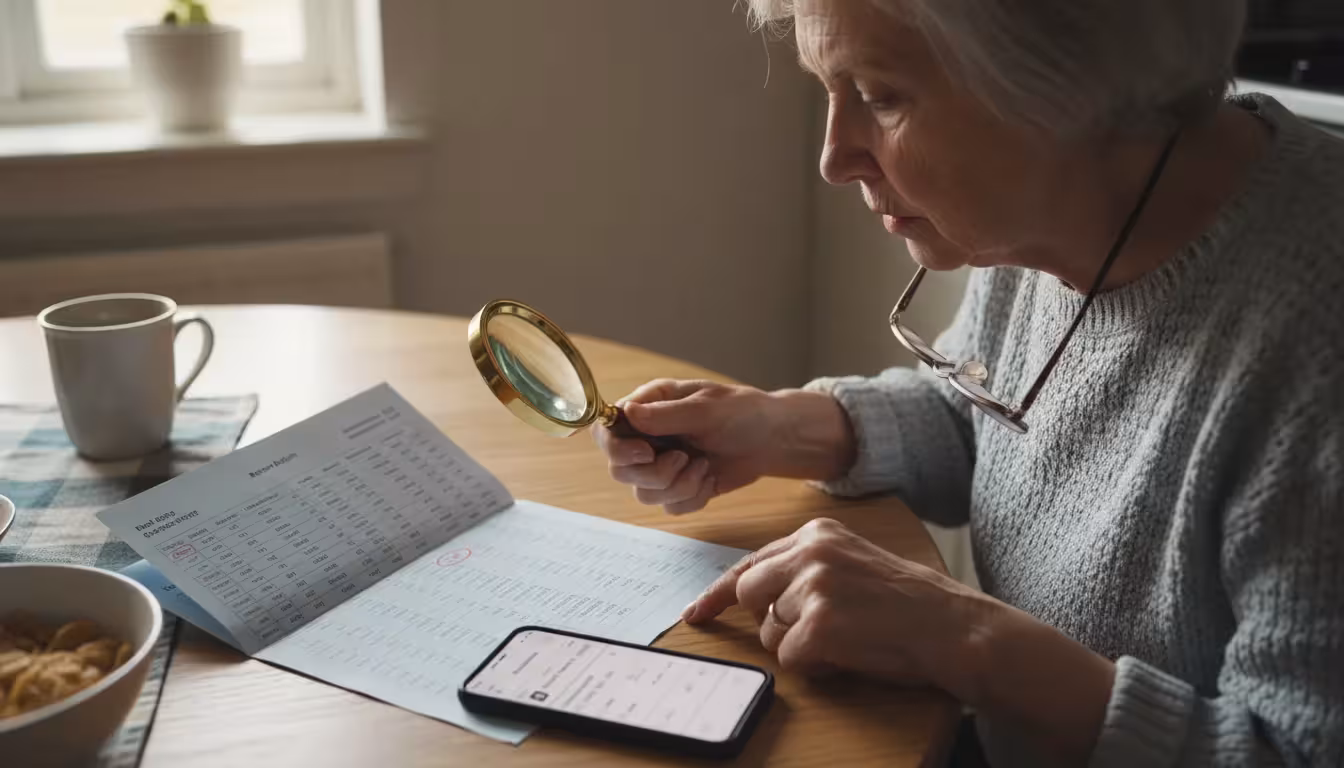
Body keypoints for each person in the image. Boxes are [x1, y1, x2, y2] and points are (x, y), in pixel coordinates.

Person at [594, 0, 1344, 765]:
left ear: (1071, 84)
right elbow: (985, 416)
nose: (834, 156)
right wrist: (786, 427)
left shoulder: (1318, 338)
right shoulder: (1057, 202)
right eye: (829, 87)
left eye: (880, 97)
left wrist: (963, 638)